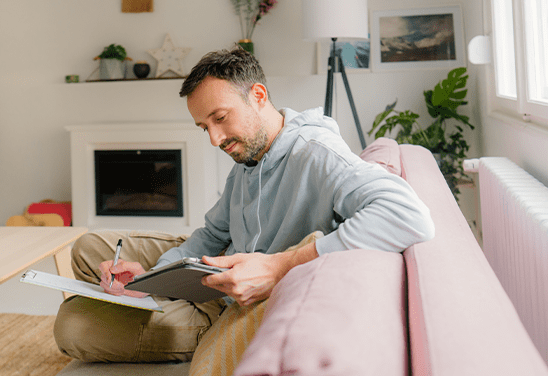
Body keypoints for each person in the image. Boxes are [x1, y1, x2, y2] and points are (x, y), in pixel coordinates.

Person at [53, 47, 434, 363]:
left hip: (231, 304)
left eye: (220, 118)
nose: (215, 139)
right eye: (205, 127)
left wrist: (281, 265)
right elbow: (213, 234)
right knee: (89, 247)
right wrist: (149, 281)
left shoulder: (317, 156)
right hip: (212, 273)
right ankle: (140, 291)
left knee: (72, 324)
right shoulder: (249, 157)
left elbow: (409, 216)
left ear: (258, 96)